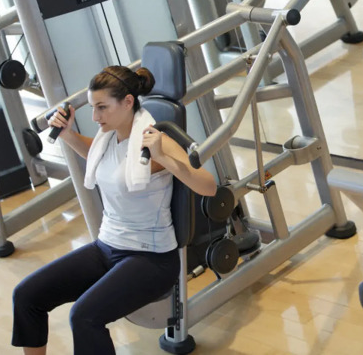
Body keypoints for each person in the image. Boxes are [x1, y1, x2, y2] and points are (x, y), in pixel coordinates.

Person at [11, 66, 217, 355]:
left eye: (102, 107)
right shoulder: (108, 138)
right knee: (27, 295)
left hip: (151, 258)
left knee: (84, 317)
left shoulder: (154, 140)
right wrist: (68, 134)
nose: (95, 117)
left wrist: (163, 157)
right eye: (93, 108)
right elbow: (98, 155)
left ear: (128, 102)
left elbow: (208, 186)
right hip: (107, 247)